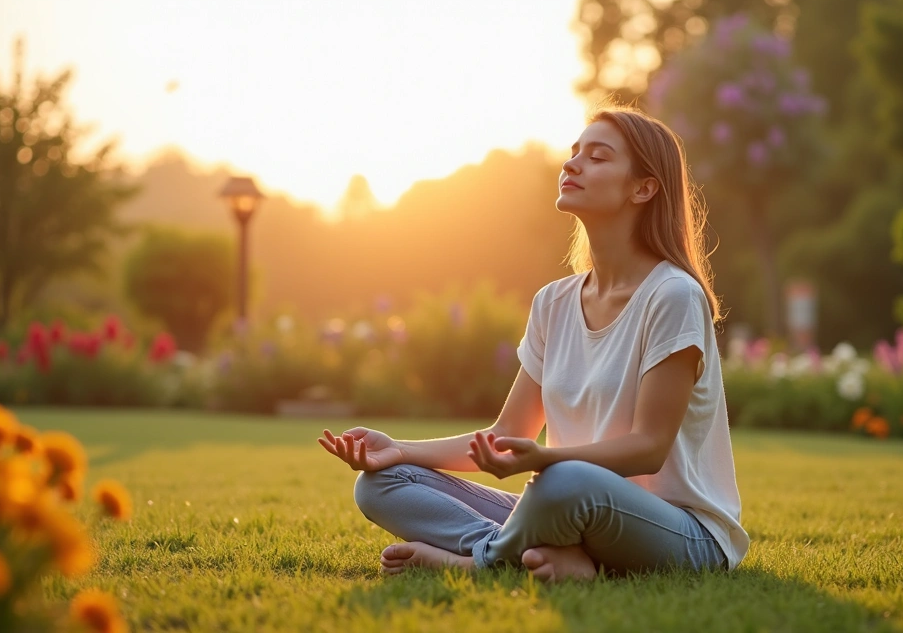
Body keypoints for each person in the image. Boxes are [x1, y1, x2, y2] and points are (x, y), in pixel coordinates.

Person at [319, 106, 748, 582]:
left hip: (683, 534)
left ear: (643, 188)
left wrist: (547, 460)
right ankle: (544, 556)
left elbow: (649, 447)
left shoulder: (673, 294)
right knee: (379, 484)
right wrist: (399, 450)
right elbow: (506, 434)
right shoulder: (554, 302)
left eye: (597, 157)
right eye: (574, 153)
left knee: (561, 480)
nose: (571, 164)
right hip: (568, 505)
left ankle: (482, 561)